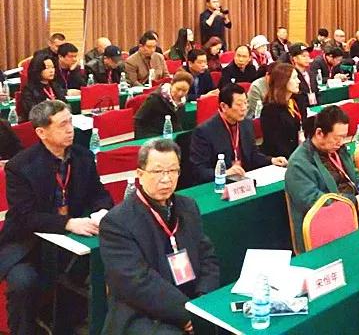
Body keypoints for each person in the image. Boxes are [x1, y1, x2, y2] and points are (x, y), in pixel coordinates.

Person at [0, 100, 113, 334]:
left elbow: (99, 194)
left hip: (70, 241)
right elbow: (25, 217)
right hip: (28, 244)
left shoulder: (82, 156)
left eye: (70, 122)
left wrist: (101, 212)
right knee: (23, 282)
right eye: (62, 125)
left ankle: (69, 324)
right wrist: (68, 223)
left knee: (105, 268)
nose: (70, 129)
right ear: (41, 132)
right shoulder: (20, 166)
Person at [99, 139, 219, 334]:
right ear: (140, 174)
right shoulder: (117, 222)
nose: (166, 179)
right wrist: (186, 313)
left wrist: (202, 302)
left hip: (193, 301)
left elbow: (207, 257)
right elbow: (137, 282)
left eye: (172, 171)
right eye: (157, 172)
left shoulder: (188, 206)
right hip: (143, 312)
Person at [285, 106, 359, 252]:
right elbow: (314, 202)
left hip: (356, 215)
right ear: (319, 133)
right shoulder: (299, 164)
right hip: (327, 227)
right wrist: (354, 203)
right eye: (337, 138)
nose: (341, 142)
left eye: (344, 137)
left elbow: (354, 174)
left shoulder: (338, 149)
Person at [190, 84, 287, 183]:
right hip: (220, 183)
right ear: (224, 106)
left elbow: (253, 155)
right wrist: (225, 173)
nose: (244, 108)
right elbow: (199, 171)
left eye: (246, 103)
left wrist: (271, 160)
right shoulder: (204, 131)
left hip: (245, 179)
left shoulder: (246, 124)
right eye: (239, 104)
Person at [260, 63, 307, 158]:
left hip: (300, 151)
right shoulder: (270, 110)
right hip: (282, 157)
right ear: (283, 81)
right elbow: (275, 144)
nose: (298, 81)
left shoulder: (298, 101)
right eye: (294, 78)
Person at [134, 72, 192, 139]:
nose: (180, 93)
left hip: (171, 134)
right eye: (178, 89)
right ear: (172, 84)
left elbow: (178, 123)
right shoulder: (155, 98)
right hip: (152, 135)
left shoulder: (182, 101)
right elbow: (138, 120)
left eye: (184, 91)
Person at [19, 53, 66, 122]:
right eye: (47, 68)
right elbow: (34, 113)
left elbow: (64, 104)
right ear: (38, 69)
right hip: (41, 123)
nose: (51, 71)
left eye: (53, 67)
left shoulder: (55, 85)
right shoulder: (29, 90)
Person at [290, 43, 318, 109]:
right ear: (295, 59)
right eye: (303, 56)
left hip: (314, 107)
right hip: (300, 108)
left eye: (308, 56)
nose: (307, 58)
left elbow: (317, 92)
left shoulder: (311, 74)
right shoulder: (292, 76)